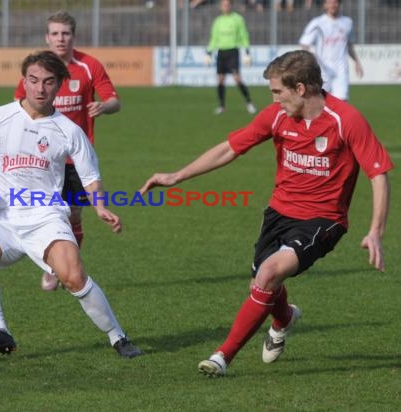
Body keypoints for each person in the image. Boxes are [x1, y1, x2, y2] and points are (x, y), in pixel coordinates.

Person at [139, 50, 392, 377]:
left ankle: (222, 357)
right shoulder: (277, 117)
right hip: (278, 213)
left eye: (277, 92)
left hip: (322, 220)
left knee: (268, 274)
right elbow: (230, 147)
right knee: (261, 284)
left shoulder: (347, 120)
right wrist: (177, 175)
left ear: (300, 89)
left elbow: (378, 174)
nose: (273, 100)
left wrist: (375, 231)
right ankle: (284, 318)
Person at [0, 50, 142, 359]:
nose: (39, 88)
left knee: (73, 277)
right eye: (33, 80)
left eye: (47, 82)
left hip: (46, 218)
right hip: (2, 218)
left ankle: (117, 336)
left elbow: (91, 177)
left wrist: (100, 207)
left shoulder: (69, 131)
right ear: (24, 81)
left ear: (59, 85)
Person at [14, 11, 121, 292]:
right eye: (55, 34)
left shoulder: (88, 66)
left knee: (73, 216)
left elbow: (114, 100)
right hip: (41, 159)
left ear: (73, 36)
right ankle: (53, 266)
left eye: (65, 34)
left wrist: (103, 107)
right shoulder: (37, 70)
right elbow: (18, 107)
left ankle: (64, 266)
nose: (60, 39)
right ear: (47, 37)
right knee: (49, 214)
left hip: (74, 159)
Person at [299, 0, 364, 101]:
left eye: (335, 2)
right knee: (321, 103)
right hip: (323, 71)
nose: (333, 5)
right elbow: (305, 43)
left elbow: (349, 45)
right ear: (325, 5)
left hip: (341, 70)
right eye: (330, 2)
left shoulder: (347, 22)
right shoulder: (317, 23)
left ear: (339, 4)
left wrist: (357, 62)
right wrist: (312, 59)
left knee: (342, 103)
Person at [205, 0, 257, 115]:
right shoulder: (218, 21)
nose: (225, 6)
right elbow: (214, 39)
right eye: (223, 5)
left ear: (231, 6)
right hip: (221, 52)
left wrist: (247, 51)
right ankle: (222, 106)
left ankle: (249, 102)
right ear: (221, 6)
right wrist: (209, 52)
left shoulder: (237, 19)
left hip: (233, 51)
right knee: (220, 79)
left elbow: (244, 35)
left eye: (227, 4)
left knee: (237, 78)